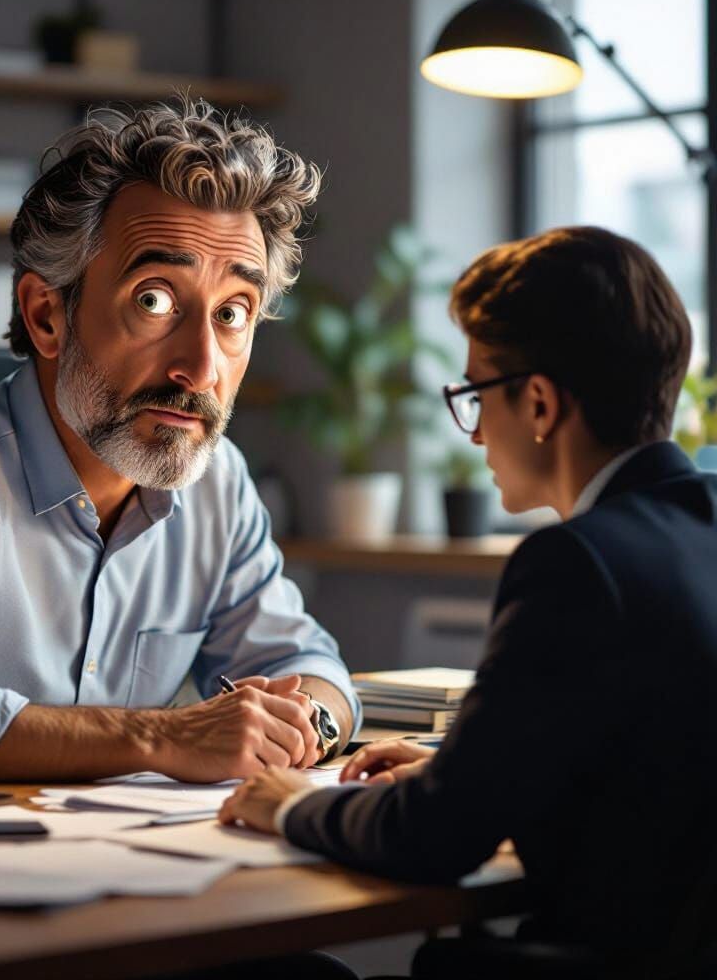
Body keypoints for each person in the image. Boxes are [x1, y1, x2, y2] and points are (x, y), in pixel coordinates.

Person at [220, 226, 717, 974]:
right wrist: (457, 767)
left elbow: (432, 838)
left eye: (475, 394)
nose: (476, 434)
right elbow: (657, 758)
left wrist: (289, 802)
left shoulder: (577, 563)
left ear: (540, 404)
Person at [0, 99, 361, 783]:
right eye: (154, 300)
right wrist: (166, 737)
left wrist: (306, 722)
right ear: (47, 315)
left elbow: (306, 665)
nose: (201, 368)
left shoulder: (217, 482)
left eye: (232, 313)